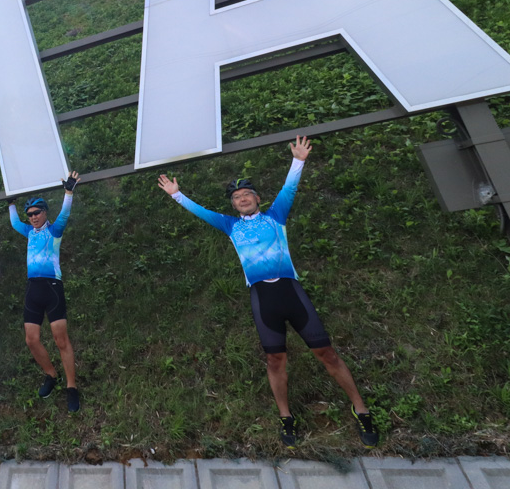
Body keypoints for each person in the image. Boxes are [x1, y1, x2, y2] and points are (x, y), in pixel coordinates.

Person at [157, 136, 379, 448]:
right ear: (233, 205)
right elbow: (203, 213)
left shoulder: (276, 216)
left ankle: (361, 408)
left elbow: (289, 189)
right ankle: (286, 417)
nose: (243, 199)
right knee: (275, 359)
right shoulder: (230, 226)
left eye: (248, 194)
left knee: (326, 352)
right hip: (263, 299)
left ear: (258, 199)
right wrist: (178, 196)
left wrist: (298, 161)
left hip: (291, 292)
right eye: (237, 197)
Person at [8, 171, 81, 413]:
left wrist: (68, 192)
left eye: (36, 213)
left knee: (61, 340)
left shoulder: (54, 230)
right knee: (31, 340)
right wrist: (10, 201)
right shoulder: (29, 232)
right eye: (29, 214)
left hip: (52, 288)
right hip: (33, 289)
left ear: (45, 212)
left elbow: (66, 213)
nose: (32, 217)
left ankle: (72, 387)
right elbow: (14, 223)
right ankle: (51, 374)